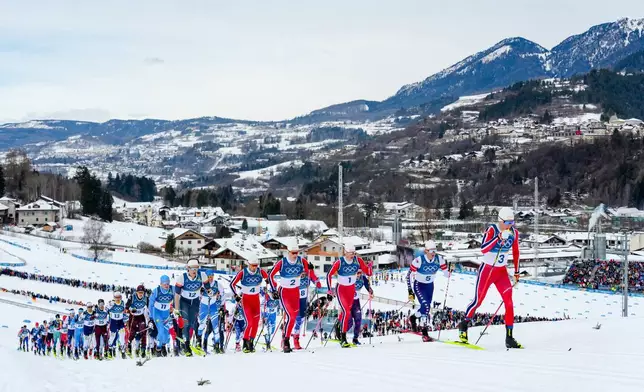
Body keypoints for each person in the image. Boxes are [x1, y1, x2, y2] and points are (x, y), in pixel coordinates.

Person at [459, 206, 522, 349]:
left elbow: (516, 253)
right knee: (478, 301)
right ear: (500, 221)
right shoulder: (492, 230)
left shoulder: (514, 233)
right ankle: (463, 325)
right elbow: (483, 248)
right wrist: (498, 238)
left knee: (509, 303)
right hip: (487, 271)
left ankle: (509, 337)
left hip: (501, 273)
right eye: (507, 222)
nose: (509, 226)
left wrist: (517, 273)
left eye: (512, 223)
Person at [268, 244, 315, 353]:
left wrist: (310, 269)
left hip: (295, 292)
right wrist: (274, 289)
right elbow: (270, 275)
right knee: (291, 316)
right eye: (293, 253)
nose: (295, 255)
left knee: (294, 318)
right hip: (285, 292)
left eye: (297, 252)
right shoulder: (282, 262)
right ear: (288, 252)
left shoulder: (301, 260)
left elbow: (309, 271)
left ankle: (287, 338)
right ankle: (286, 341)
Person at [326, 243, 372, 348]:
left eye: (354, 253)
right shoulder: (340, 262)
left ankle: (339, 325)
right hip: (341, 289)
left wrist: (369, 268)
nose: (352, 255)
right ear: (345, 252)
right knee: (346, 312)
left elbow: (367, 272)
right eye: (351, 253)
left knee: (345, 313)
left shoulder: (358, 260)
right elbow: (329, 274)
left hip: (351, 289)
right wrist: (329, 290)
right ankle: (343, 338)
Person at [406, 240, 448, 342]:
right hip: (419, 285)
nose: (433, 253)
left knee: (426, 308)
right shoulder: (418, 261)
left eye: (435, 250)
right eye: (431, 251)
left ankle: (413, 318)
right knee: (425, 306)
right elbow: (408, 276)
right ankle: (424, 333)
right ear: (426, 251)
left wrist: (449, 271)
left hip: (430, 286)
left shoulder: (439, 260)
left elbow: (446, 273)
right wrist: (410, 290)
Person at [174, 258, 213, 357]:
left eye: (196, 268)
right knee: (186, 323)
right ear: (188, 268)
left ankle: (187, 342)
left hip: (195, 302)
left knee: (192, 324)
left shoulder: (202, 275)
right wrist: (176, 308)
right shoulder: (182, 278)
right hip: (184, 302)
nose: (194, 271)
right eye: (192, 269)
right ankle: (186, 346)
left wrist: (209, 291)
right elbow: (177, 295)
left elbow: (207, 286)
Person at [230, 257, 268, 353]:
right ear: (248, 264)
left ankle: (251, 343)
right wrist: (236, 295)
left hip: (256, 300)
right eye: (252, 265)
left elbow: (269, 279)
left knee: (255, 323)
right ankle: (245, 343)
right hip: (246, 301)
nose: (254, 268)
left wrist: (269, 285)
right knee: (250, 323)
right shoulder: (243, 272)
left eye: (256, 265)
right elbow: (232, 284)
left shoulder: (260, 271)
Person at [292, 259, 322, 350]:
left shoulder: (308, 276)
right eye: (301, 272)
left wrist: (311, 271)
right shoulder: (293, 277)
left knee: (300, 321)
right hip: (294, 300)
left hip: (303, 301)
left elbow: (319, 285)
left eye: (304, 272)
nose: (303, 274)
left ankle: (296, 337)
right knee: (296, 320)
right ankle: (292, 340)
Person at [197, 271, 227, 354]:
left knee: (215, 326)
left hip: (213, 306)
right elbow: (197, 295)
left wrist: (220, 305)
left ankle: (217, 345)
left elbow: (223, 295)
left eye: (211, 276)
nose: (210, 278)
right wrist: (200, 292)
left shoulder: (218, 285)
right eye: (208, 277)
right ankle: (198, 342)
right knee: (202, 325)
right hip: (204, 306)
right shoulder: (202, 284)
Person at [150, 275, 174, 357]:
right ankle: (158, 348)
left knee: (166, 333)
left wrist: (174, 308)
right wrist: (150, 318)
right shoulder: (156, 291)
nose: (166, 285)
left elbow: (178, 297)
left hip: (166, 314)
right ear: (160, 284)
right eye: (164, 284)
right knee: (160, 331)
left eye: (168, 283)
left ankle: (163, 346)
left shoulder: (172, 289)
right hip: (157, 313)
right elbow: (150, 304)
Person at [348, 270, 373, 345]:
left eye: (360, 273)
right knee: (349, 323)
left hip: (356, 302)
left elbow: (367, 286)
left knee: (358, 320)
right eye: (357, 273)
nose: (359, 275)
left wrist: (371, 292)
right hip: (348, 301)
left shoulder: (363, 278)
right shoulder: (349, 277)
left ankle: (355, 338)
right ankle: (341, 334)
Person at [126, 284, 149, 357]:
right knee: (132, 333)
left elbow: (149, 306)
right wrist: (131, 309)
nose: (140, 294)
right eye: (139, 292)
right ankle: (129, 346)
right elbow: (126, 307)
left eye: (142, 292)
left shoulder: (146, 298)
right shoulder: (132, 297)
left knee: (143, 331)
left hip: (141, 317)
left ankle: (143, 349)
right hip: (133, 317)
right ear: (136, 292)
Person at [108, 291, 127, 359]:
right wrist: (110, 305)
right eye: (116, 298)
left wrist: (126, 317)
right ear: (114, 298)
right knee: (112, 336)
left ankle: (122, 351)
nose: (118, 299)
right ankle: (110, 348)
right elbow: (106, 309)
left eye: (119, 297)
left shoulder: (123, 303)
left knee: (122, 335)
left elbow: (125, 312)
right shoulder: (111, 303)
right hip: (113, 321)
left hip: (120, 321)